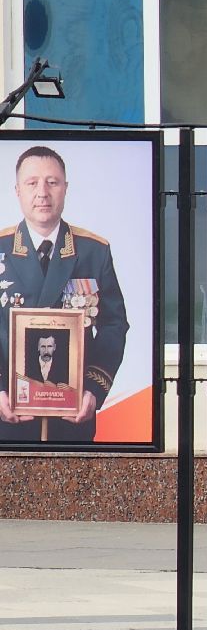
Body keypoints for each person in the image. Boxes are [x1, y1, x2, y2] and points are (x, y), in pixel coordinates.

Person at [0, 145, 129, 443]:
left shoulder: (94, 251)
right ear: (17, 190)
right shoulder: (2, 248)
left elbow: (114, 325)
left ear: (65, 189)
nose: (42, 193)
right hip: (8, 413)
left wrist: (93, 390)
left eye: (52, 182)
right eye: (32, 183)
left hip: (73, 414)